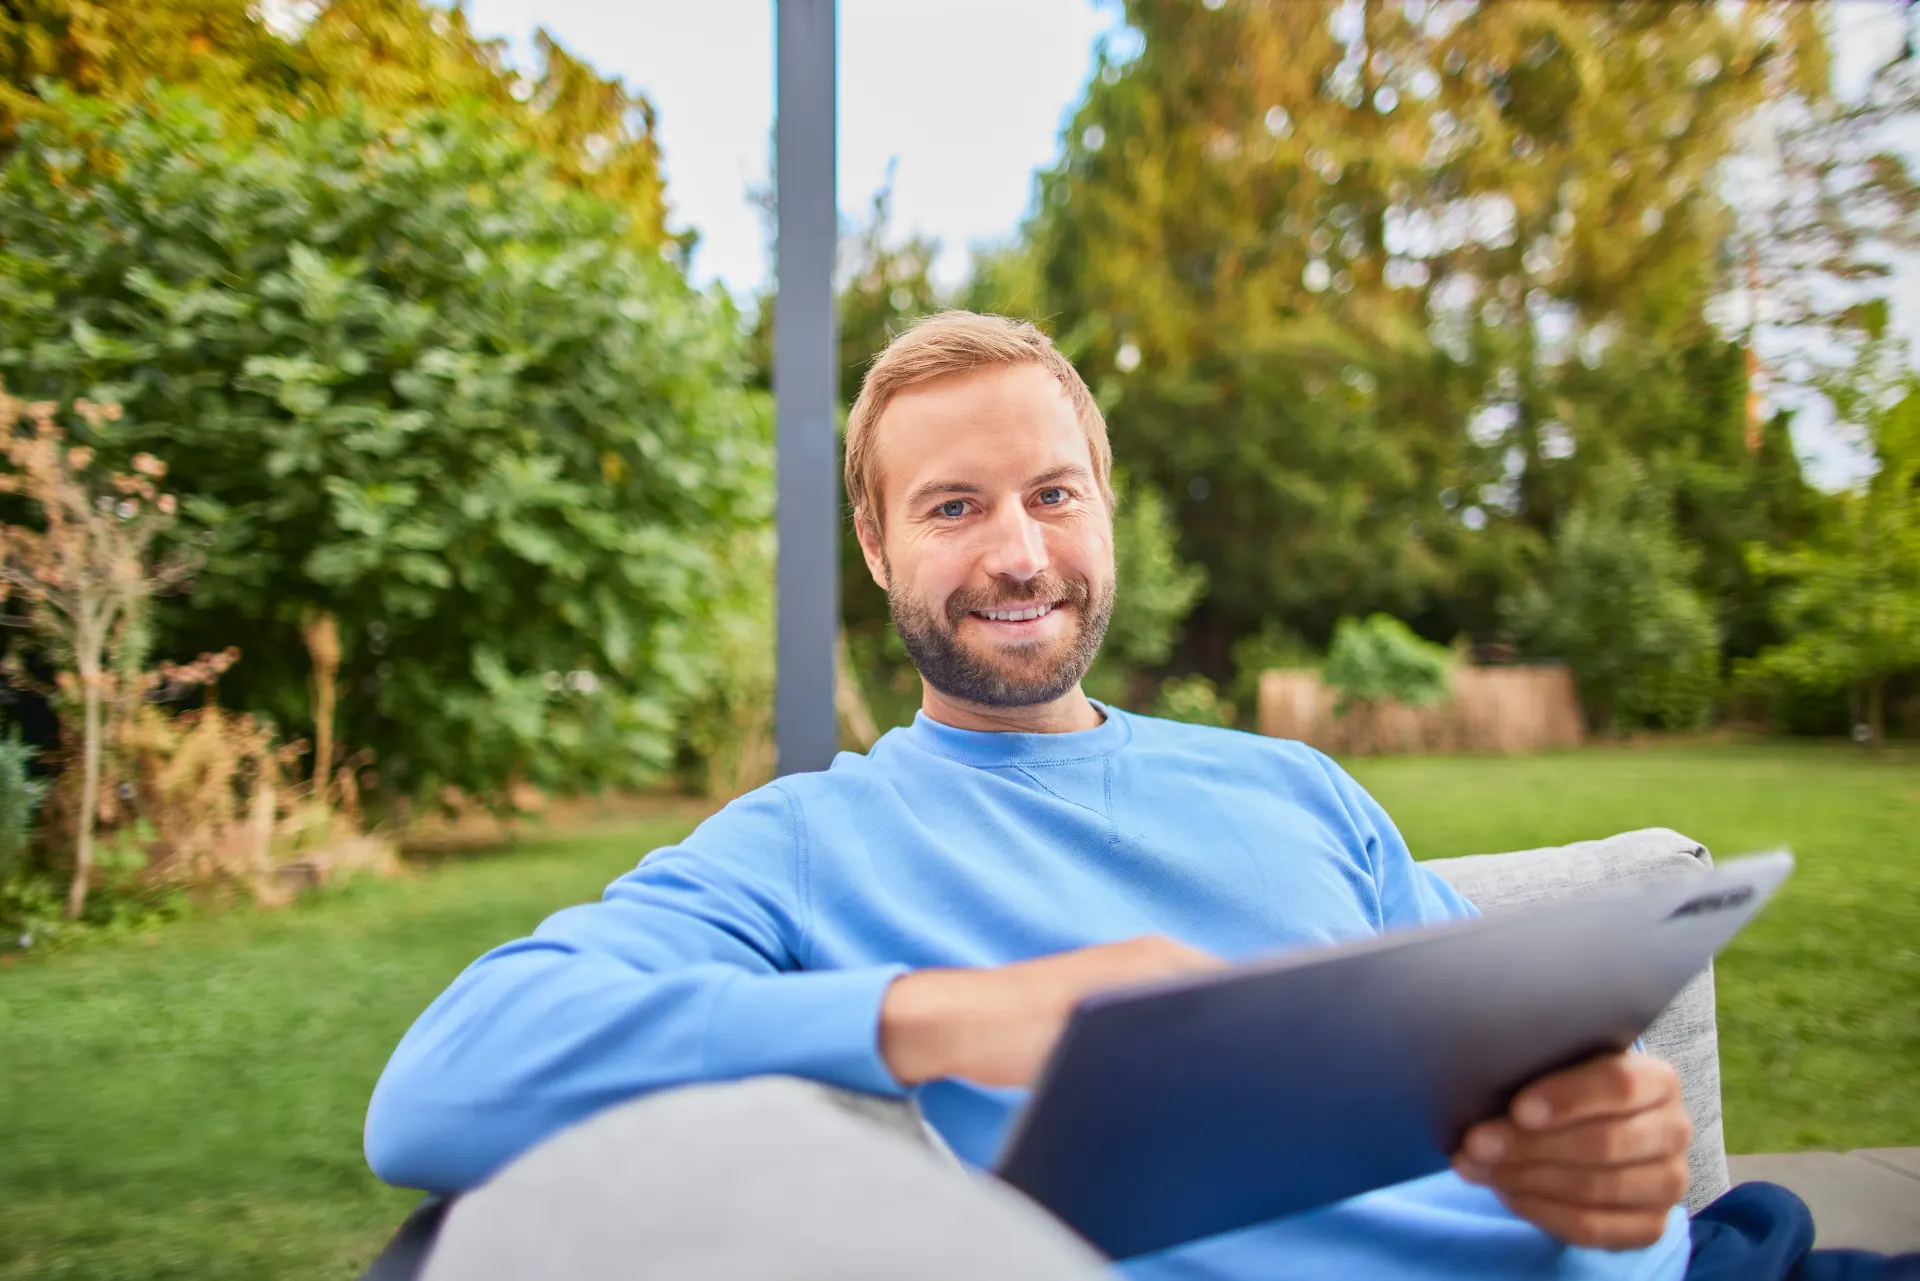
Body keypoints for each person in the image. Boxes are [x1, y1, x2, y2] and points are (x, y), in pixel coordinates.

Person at [366, 312, 1910, 1281]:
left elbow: (1513, 1075)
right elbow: (433, 1094)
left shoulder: (1295, 785)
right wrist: (967, 1015)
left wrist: (1621, 1151)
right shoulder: (806, 843)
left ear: (1105, 509)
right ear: (881, 549)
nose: (1018, 551)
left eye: (1052, 493)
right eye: (953, 507)